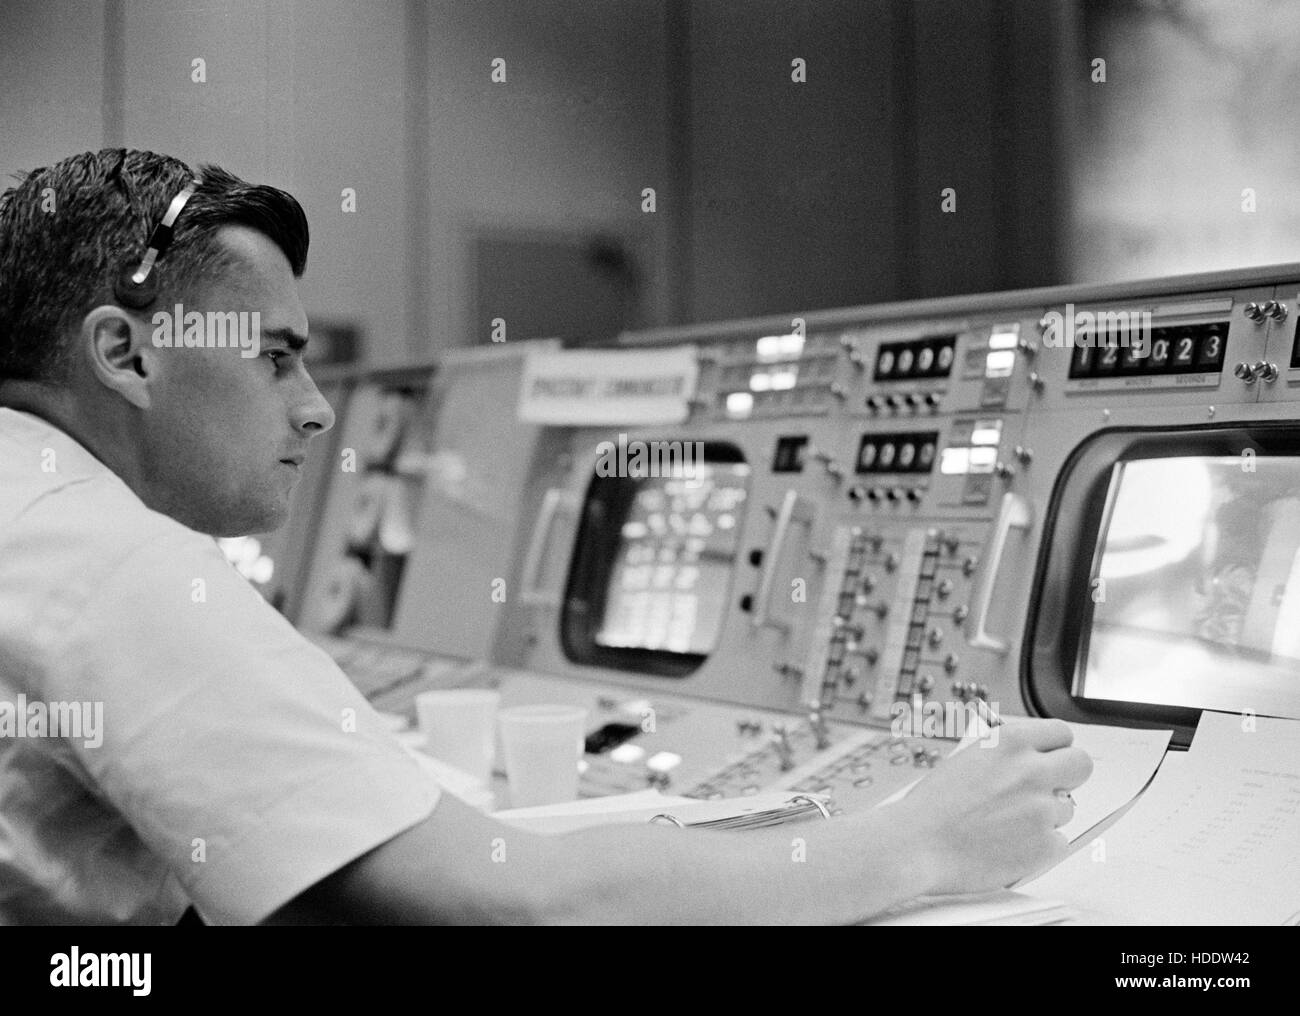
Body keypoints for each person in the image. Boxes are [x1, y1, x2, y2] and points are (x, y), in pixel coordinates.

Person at [0, 149, 1092, 925]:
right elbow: (514, 903)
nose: (317, 407)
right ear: (126, 353)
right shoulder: (108, 562)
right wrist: (921, 841)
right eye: (276, 356)